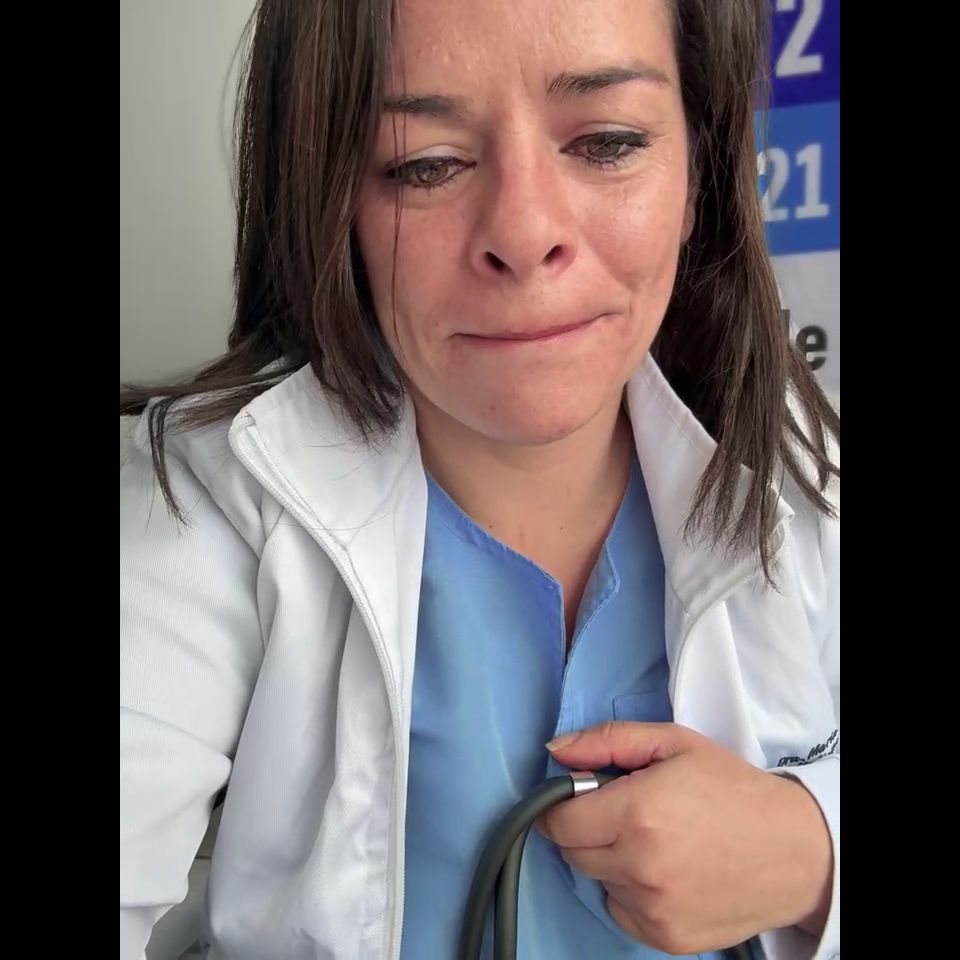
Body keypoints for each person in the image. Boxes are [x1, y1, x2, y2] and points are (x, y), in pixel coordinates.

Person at [119, 0, 840, 957]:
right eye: (425, 163)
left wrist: (813, 853)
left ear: (698, 176)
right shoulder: (198, 503)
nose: (526, 233)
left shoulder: (801, 472)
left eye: (609, 142)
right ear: (331, 201)